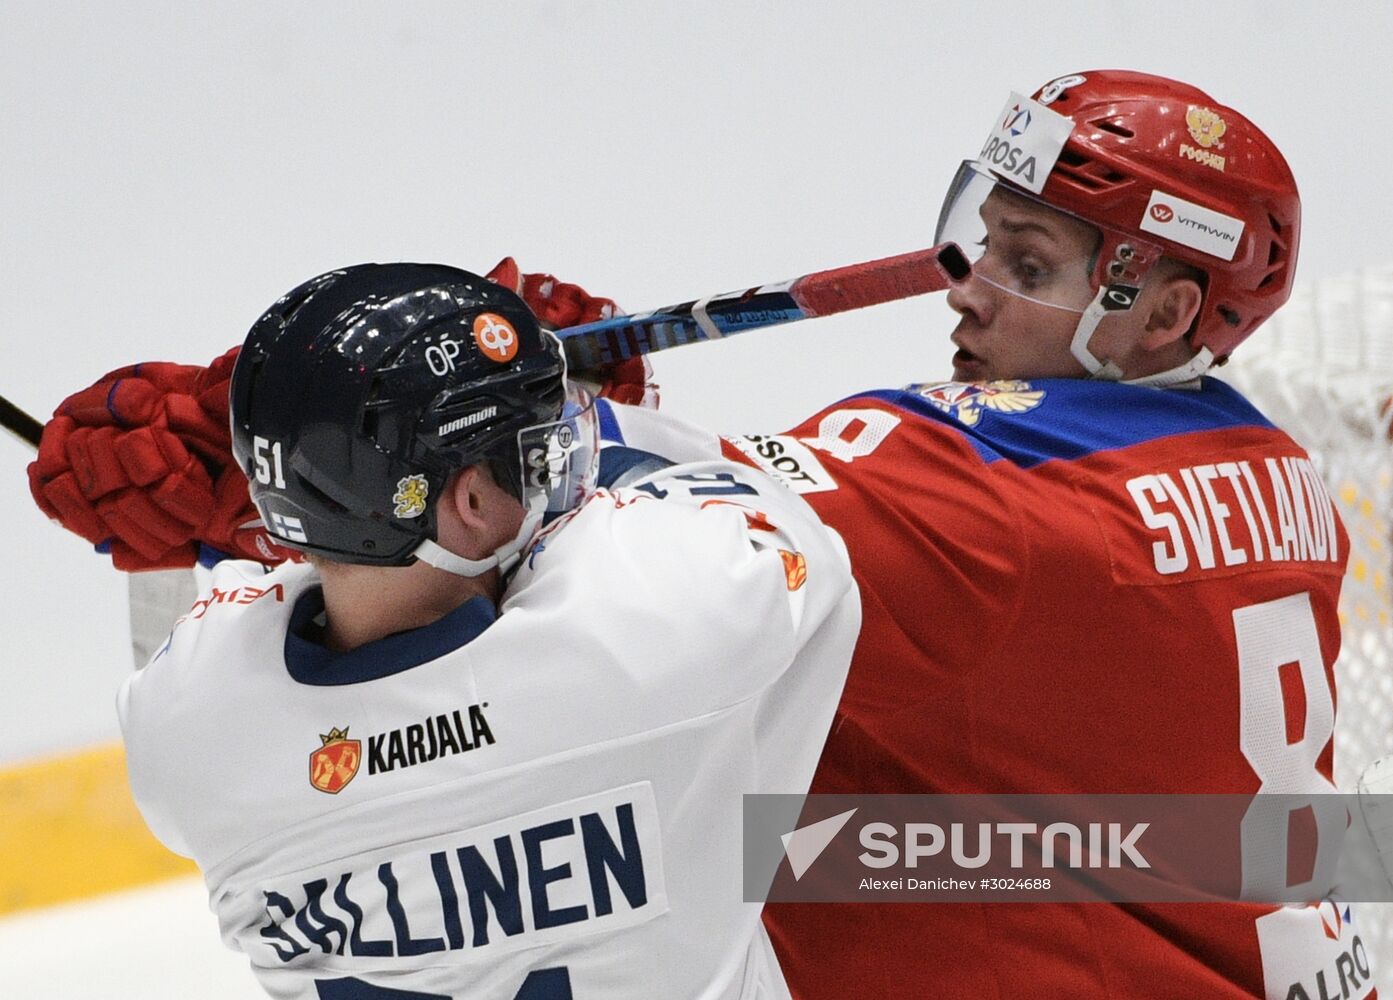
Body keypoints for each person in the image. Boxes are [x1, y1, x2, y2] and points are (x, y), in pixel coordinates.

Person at [27, 71, 1374, 999]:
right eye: (982, 236)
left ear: (1166, 313)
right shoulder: (1268, 469)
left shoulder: (974, 507)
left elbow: (539, 515)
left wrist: (328, 441)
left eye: (1029, 268)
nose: (968, 291)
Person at [109, 262, 861, 999]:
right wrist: (604, 409)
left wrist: (207, 528)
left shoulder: (186, 732)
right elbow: (790, 534)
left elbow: (220, 625)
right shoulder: (649, 624)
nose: (553, 468)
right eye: (533, 454)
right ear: (470, 500)